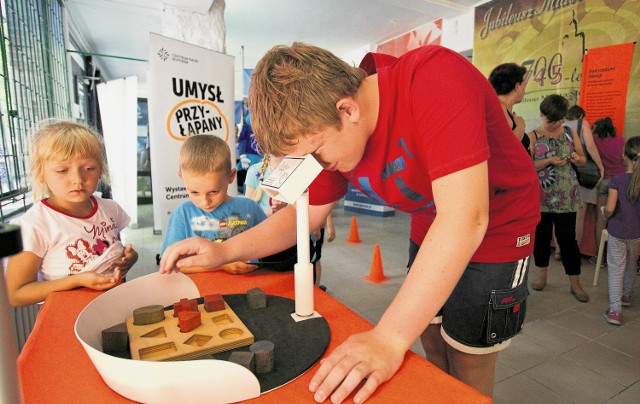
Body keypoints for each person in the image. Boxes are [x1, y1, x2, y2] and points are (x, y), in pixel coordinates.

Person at [160, 43, 540, 400]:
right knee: (433, 335)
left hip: (499, 225)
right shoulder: (327, 129)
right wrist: (223, 251)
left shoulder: (434, 76)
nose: (320, 166)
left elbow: (465, 217)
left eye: (318, 156)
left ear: (347, 110)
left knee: (469, 356)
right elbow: (302, 215)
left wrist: (388, 338)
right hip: (432, 220)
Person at [5, 120, 138, 307]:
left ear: (101, 170)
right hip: (67, 315)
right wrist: (77, 280)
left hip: (116, 307)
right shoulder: (35, 224)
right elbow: (16, 294)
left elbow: (110, 253)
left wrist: (129, 259)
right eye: (62, 170)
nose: (78, 179)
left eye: (89, 168)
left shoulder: (110, 208)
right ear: (41, 173)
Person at [160, 134, 267, 275]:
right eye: (195, 192)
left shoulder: (250, 208)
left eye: (214, 191)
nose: (205, 201)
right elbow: (171, 264)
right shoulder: (182, 214)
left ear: (231, 176)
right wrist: (222, 266)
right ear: (182, 177)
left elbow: (271, 246)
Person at [527, 95, 589, 302]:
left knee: (567, 240)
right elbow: (528, 166)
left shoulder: (570, 133)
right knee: (541, 238)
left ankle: (575, 283)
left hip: (567, 195)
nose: (556, 124)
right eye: (551, 120)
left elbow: (582, 159)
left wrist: (575, 158)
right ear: (542, 115)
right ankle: (541, 276)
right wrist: (548, 161)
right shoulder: (533, 136)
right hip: (542, 196)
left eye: (560, 120)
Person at [245, 155, 336, 284]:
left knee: (310, 264)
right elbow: (249, 215)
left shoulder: (302, 169)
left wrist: (323, 223)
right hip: (269, 238)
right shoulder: (255, 172)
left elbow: (320, 200)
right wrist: (273, 211)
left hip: (302, 236)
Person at [555, 106, 604, 260]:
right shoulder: (583, 124)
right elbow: (590, 146)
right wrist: (601, 167)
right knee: (579, 217)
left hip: (562, 173)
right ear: (581, 115)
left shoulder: (559, 126)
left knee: (561, 214)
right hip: (582, 175)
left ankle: (558, 251)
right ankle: (572, 252)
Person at [602, 136, 640, 325]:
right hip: (637, 233)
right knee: (632, 265)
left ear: (625, 156)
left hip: (618, 231)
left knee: (617, 268)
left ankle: (615, 310)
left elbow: (609, 208)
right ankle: (627, 295)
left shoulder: (617, 180)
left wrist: (605, 218)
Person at [593, 117, 626, 264]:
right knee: (620, 217)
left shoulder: (594, 139)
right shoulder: (621, 140)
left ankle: (600, 257)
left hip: (604, 181)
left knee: (601, 219)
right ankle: (617, 256)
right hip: (620, 181)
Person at [488, 62, 530, 153]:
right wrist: (520, 127)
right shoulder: (499, 108)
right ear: (517, 86)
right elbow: (503, 149)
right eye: (523, 85)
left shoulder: (500, 107)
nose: (524, 90)